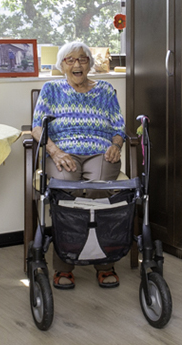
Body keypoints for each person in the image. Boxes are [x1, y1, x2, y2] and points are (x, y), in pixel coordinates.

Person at [31, 41, 125, 290]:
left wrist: (116, 145)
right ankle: (65, 265)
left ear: (89, 64)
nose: (77, 64)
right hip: (64, 152)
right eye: (70, 60)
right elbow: (37, 127)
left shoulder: (105, 90)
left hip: (99, 152)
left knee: (98, 191)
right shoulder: (51, 89)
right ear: (62, 65)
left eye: (82, 59)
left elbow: (118, 128)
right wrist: (55, 151)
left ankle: (104, 263)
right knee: (68, 196)